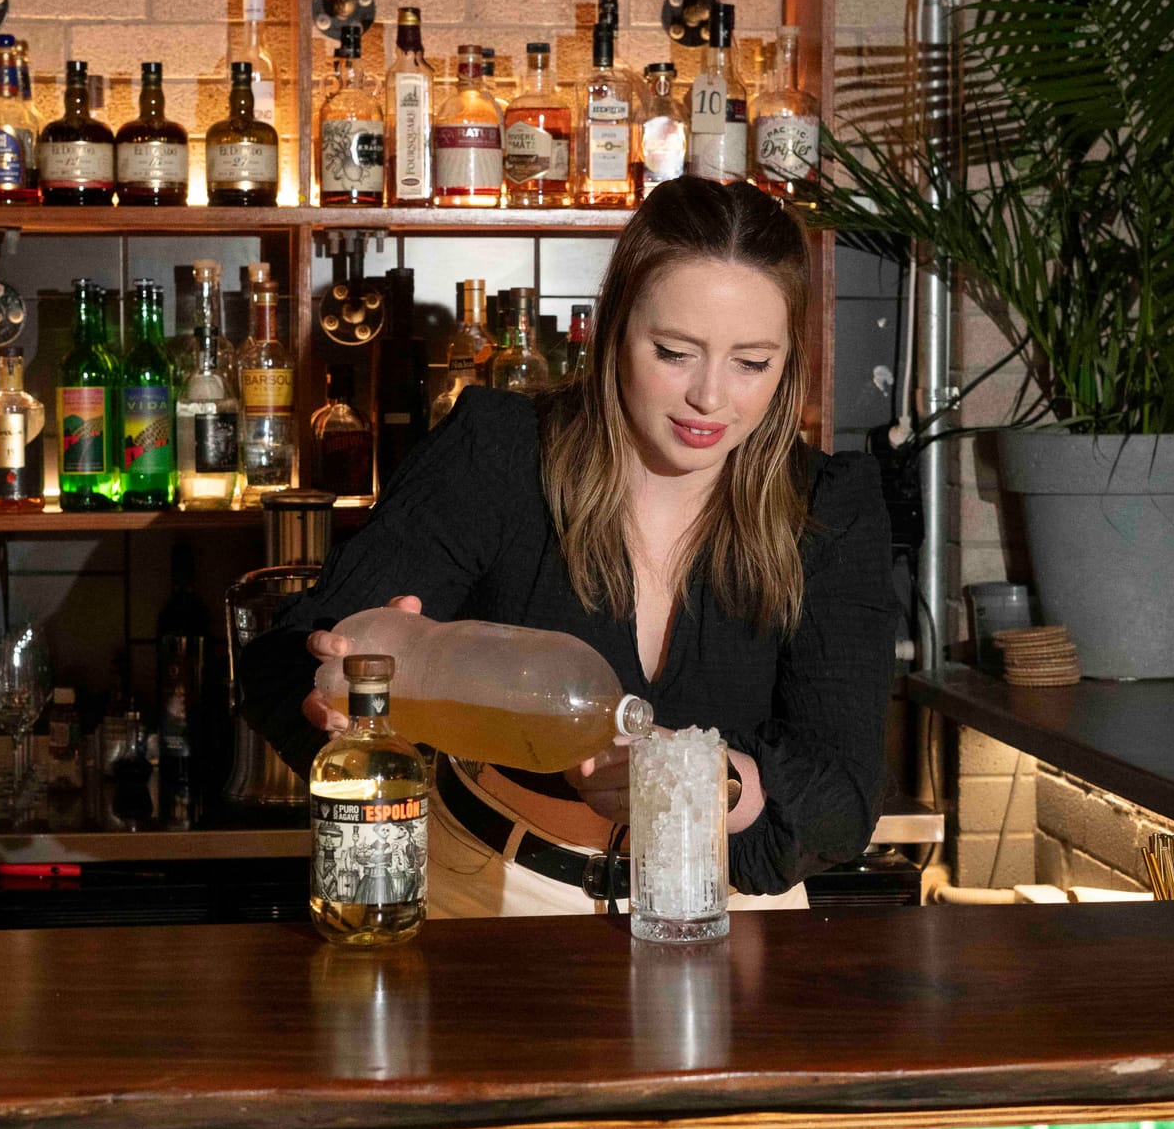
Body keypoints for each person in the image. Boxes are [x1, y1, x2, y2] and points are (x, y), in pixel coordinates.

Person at [237, 177, 898, 917]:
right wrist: (339, 702)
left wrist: (720, 787)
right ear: (614, 327)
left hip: (726, 903)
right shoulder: (501, 454)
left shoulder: (827, 509)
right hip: (487, 893)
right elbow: (280, 664)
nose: (711, 398)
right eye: (675, 352)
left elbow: (843, 802)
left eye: (752, 363)